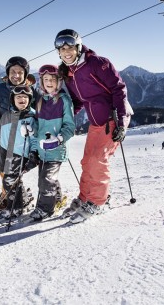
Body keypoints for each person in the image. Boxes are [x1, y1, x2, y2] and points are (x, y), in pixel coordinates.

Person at [54, 29, 133, 224]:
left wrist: (121, 122)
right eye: (62, 48)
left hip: (113, 117)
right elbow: (77, 101)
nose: (66, 51)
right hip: (96, 121)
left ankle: (99, 201)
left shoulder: (97, 63)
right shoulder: (69, 72)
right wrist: (65, 119)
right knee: (87, 161)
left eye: (70, 47)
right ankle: (85, 198)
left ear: (78, 47)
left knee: (98, 160)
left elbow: (119, 89)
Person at [28, 64, 76, 221]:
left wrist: (60, 139)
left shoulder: (64, 101)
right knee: (46, 177)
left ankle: (45, 209)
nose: (49, 82)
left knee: (46, 179)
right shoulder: (41, 100)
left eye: (52, 79)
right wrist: (31, 129)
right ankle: (56, 199)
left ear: (59, 82)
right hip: (43, 149)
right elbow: (37, 124)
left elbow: (70, 126)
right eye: (45, 79)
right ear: (41, 82)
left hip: (56, 149)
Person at [0, 56, 31, 214]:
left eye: (20, 72)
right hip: (3, 134)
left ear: (25, 74)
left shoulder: (31, 91)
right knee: (3, 165)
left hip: (21, 136)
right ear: (7, 72)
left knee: (15, 167)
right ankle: (8, 194)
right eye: (13, 72)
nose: (16, 75)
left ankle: (13, 198)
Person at [0, 85, 38, 219]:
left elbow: (35, 138)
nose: (22, 99)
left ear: (29, 100)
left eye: (25, 97)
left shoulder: (32, 116)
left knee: (10, 180)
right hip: (6, 153)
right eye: (18, 97)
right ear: (13, 99)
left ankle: (15, 208)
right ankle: (18, 203)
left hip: (21, 153)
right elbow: (0, 136)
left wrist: (34, 154)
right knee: (9, 181)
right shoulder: (6, 116)